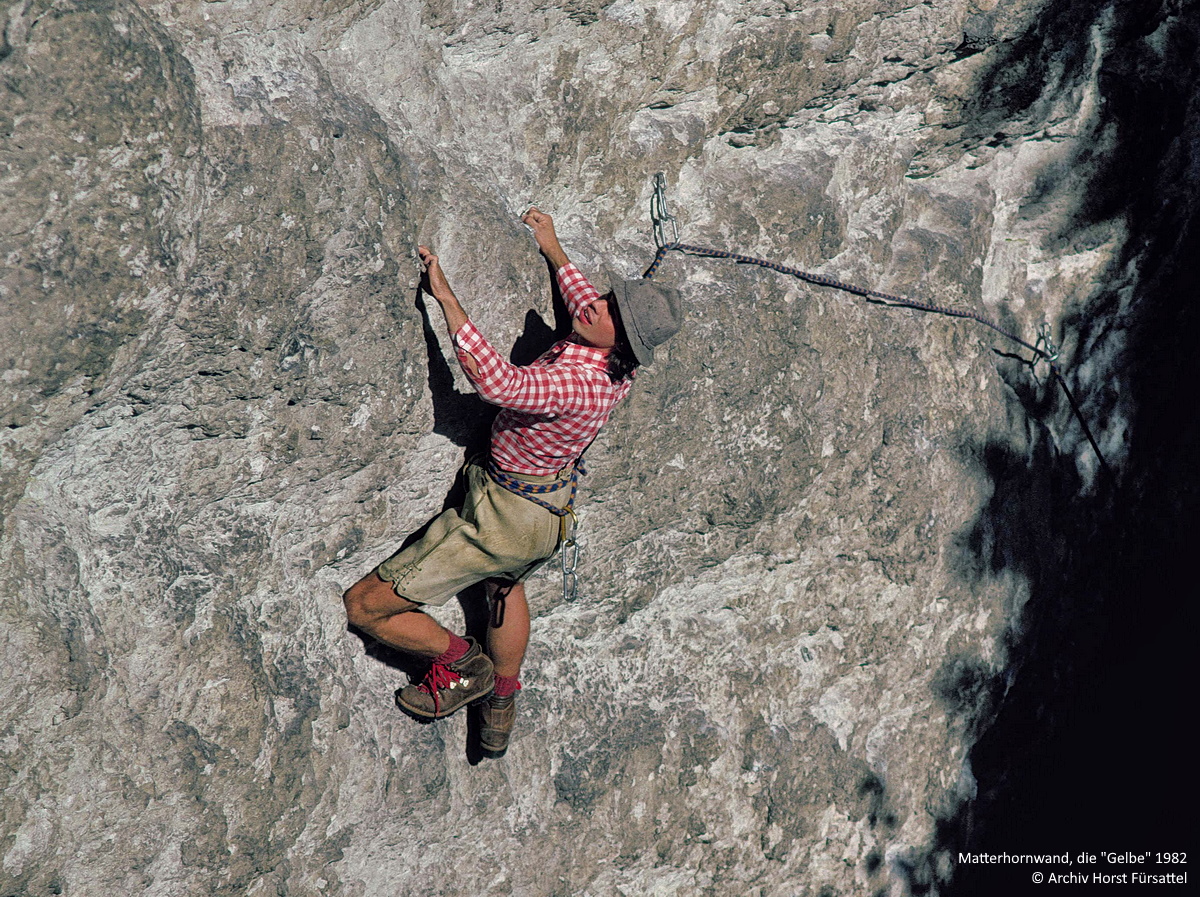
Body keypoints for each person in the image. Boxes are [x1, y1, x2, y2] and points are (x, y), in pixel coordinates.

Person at [342, 208, 681, 757]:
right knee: (503, 584)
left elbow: (496, 383)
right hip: (546, 514)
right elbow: (586, 306)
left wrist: (446, 300)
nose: (593, 302)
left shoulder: (576, 383)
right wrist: (552, 247)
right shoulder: (617, 362)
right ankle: (501, 698)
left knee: (366, 606)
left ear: (620, 341)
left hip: (503, 515)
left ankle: (461, 665)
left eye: (608, 308)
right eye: (605, 297)